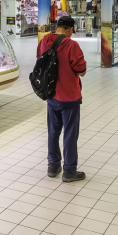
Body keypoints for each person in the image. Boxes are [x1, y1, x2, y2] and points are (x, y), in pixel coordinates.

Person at [39, 15, 87, 182]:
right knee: (70, 134)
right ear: (70, 29)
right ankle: (69, 171)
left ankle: (53, 166)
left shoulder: (44, 41)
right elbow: (81, 70)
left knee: (53, 132)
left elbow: (40, 61)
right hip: (69, 97)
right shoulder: (71, 44)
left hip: (51, 95)